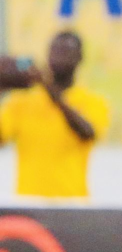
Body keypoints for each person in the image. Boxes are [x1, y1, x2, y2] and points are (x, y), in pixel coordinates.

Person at [0, 31, 109, 200]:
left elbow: (87, 133)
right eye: (55, 50)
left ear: (80, 57)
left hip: (72, 201)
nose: (59, 57)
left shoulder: (92, 101)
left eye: (66, 51)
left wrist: (50, 90)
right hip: (29, 201)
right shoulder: (23, 100)